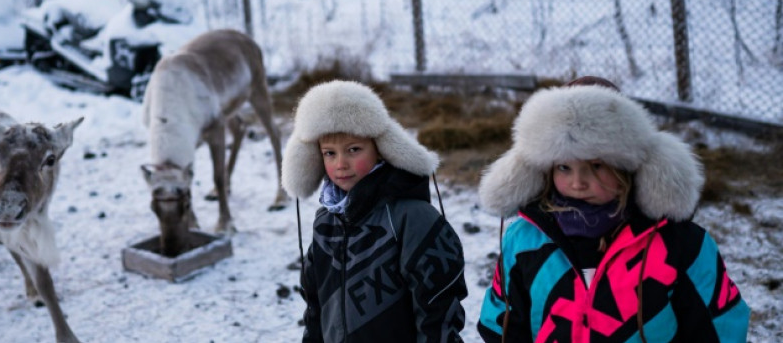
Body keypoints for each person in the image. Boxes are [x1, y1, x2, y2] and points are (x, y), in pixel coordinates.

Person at [476, 77, 750, 342]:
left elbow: (718, 326)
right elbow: (502, 324)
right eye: (564, 167)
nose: (578, 182)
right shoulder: (525, 241)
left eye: (596, 166)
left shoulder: (679, 243)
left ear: (625, 167)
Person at [282, 80, 468, 342]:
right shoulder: (325, 221)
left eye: (353, 149)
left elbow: (438, 312)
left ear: (381, 149)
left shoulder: (413, 219)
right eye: (329, 153)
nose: (340, 164)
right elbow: (315, 307)